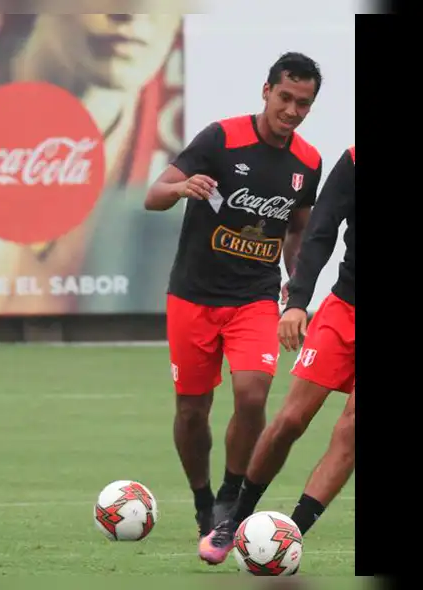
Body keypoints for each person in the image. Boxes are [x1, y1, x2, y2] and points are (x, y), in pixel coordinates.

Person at [144, 52, 324, 544]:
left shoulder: (308, 161)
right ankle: (203, 502)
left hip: (255, 298)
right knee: (191, 411)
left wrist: (297, 291)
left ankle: (229, 496)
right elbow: (153, 194)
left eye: (303, 103)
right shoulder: (220, 138)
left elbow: (299, 232)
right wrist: (182, 187)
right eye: (285, 97)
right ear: (266, 91)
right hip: (193, 295)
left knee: (251, 394)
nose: (292, 110)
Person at [198, 145, 355, 566]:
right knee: (290, 420)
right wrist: (299, 301)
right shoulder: (355, 159)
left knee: (351, 430)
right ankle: (236, 519)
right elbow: (320, 229)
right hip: (344, 310)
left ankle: (287, 536)